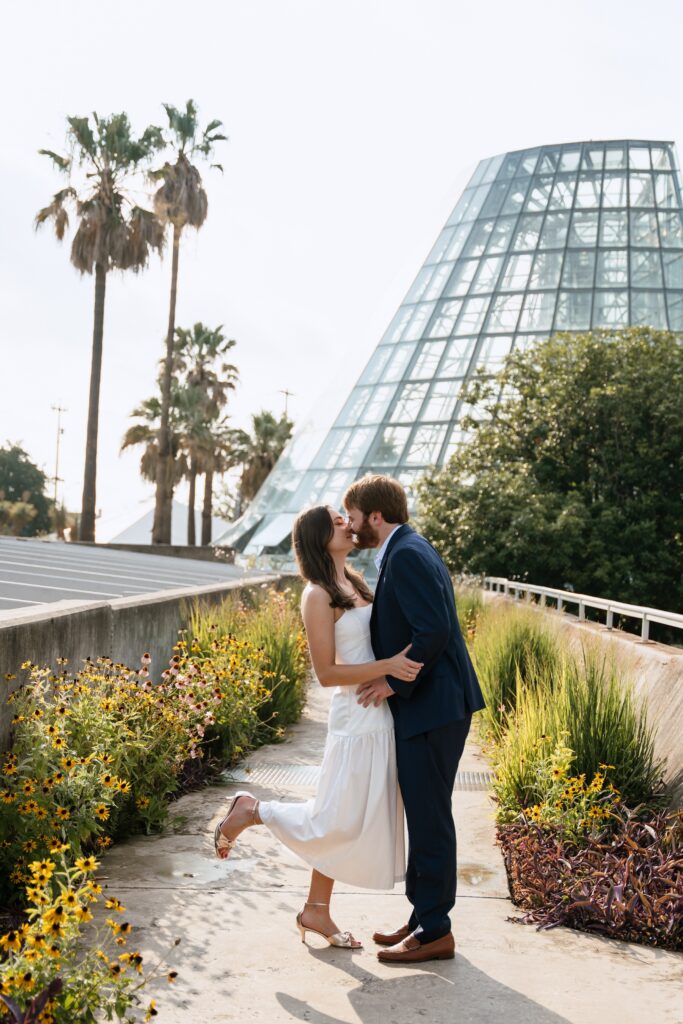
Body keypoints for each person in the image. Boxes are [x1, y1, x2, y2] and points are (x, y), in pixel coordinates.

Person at [212, 505, 420, 949]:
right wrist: (390, 668)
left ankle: (315, 911)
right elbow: (326, 673)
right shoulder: (317, 594)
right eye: (337, 520)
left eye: (346, 517)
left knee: (344, 818)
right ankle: (253, 810)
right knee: (336, 818)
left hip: (378, 714)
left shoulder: (356, 582)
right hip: (354, 719)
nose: (348, 522)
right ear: (317, 536)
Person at [344, 474, 486, 964]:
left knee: (430, 817)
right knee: (424, 813)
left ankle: (435, 931)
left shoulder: (405, 554)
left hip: (433, 707)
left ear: (375, 517)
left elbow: (435, 630)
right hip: (432, 706)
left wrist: (393, 682)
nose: (353, 526)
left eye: (356, 517)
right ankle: (422, 915)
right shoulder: (407, 548)